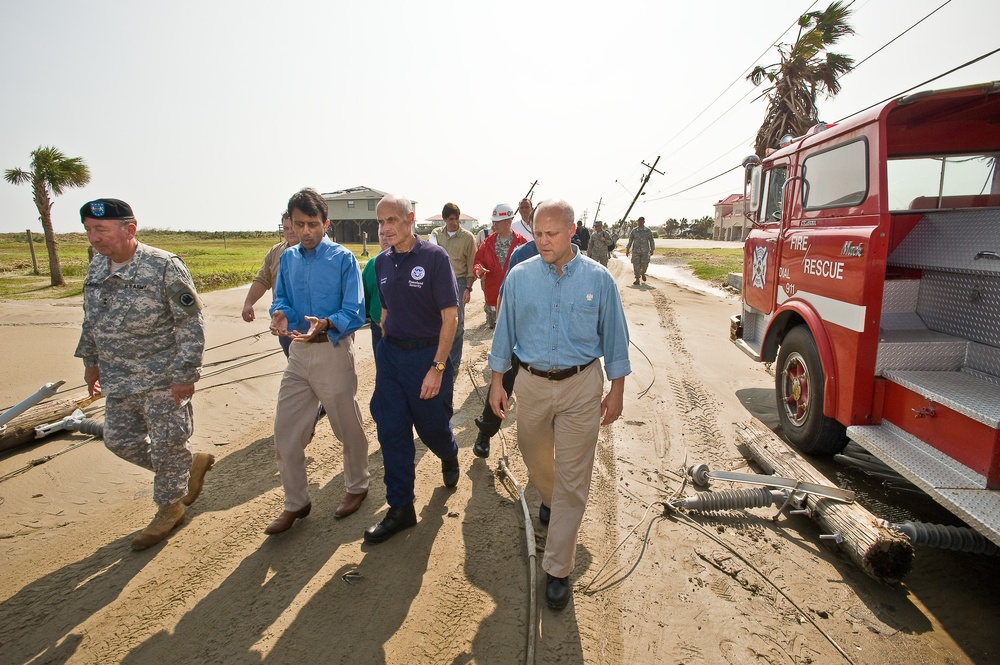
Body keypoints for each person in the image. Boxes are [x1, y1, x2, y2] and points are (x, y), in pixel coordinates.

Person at [488, 198, 630, 611]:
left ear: (572, 231)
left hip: (581, 385)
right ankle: (550, 498)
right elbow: (504, 335)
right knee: (535, 459)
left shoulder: (599, 280)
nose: (543, 240)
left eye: (551, 233)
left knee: (573, 479)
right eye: (538, 232)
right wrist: (498, 382)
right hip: (530, 384)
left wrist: (616, 389)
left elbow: (616, 339)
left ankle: (557, 568)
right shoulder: (519, 277)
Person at [75, 198, 212, 551]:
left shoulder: (163, 266)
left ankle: (169, 509)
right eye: (89, 230)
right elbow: (91, 320)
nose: (94, 238)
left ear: (130, 230)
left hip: (162, 378)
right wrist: (91, 362)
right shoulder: (96, 269)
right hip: (118, 377)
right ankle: (187, 466)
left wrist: (186, 373)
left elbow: (190, 323)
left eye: (101, 230)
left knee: (167, 445)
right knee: (119, 441)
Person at [264, 188, 370, 535]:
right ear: (290, 225)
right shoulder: (289, 260)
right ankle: (296, 502)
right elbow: (281, 298)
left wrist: (325, 323)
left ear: (327, 223)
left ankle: (357, 486)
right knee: (284, 432)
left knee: (347, 428)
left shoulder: (343, 260)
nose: (306, 232)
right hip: (298, 355)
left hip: (333, 351)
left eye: (312, 224)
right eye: (299, 225)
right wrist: (280, 314)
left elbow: (355, 311)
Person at [365, 194, 461, 544]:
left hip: (426, 357)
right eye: (380, 222)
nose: (385, 228)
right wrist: (385, 337)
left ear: (410, 219)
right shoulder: (380, 264)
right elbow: (386, 310)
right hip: (391, 356)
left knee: (432, 428)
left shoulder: (434, 258)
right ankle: (401, 507)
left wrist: (437, 367)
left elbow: (450, 317)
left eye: (392, 220)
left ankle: (449, 452)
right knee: (391, 429)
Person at [471, 205, 536, 458]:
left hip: (548, 341)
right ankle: (485, 433)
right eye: (540, 231)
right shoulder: (523, 253)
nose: (544, 238)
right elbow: (502, 294)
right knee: (504, 380)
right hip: (519, 331)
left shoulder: (569, 257)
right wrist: (504, 331)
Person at [242, 212, 299, 355]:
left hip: (305, 323)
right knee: (293, 364)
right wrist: (248, 303)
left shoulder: (313, 253)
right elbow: (262, 280)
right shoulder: (276, 252)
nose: (290, 232)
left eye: (292, 227)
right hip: (282, 322)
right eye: (286, 229)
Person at [431, 202, 477, 372]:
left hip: (459, 282)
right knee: (437, 322)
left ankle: (454, 363)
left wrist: (469, 288)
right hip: (438, 282)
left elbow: (472, 263)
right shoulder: (436, 234)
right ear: (444, 219)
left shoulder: (467, 237)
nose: (455, 222)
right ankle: (439, 358)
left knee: (457, 325)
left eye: (457, 219)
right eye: (451, 219)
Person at [473, 203, 528, 329]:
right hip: (493, 296)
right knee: (496, 333)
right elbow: (478, 261)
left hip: (516, 298)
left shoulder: (522, 243)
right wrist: (478, 270)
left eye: (498, 222)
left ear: (509, 221)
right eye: (494, 221)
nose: (494, 225)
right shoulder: (487, 242)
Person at [361, 227, 391, 354]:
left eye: (387, 233)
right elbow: (364, 294)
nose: (384, 238)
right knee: (382, 366)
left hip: (404, 330)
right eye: (381, 234)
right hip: (377, 326)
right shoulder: (372, 264)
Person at [625, 216, 655, 285]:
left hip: (645, 251)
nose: (640, 223)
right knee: (636, 265)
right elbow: (630, 241)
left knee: (645, 264)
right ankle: (637, 279)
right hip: (636, 251)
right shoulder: (634, 231)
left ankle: (643, 272)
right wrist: (627, 249)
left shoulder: (648, 230)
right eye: (639, 221)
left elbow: (651, 240)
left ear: (644, 222)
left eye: (641, 221)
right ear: (637, 222)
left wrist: (652, 249)